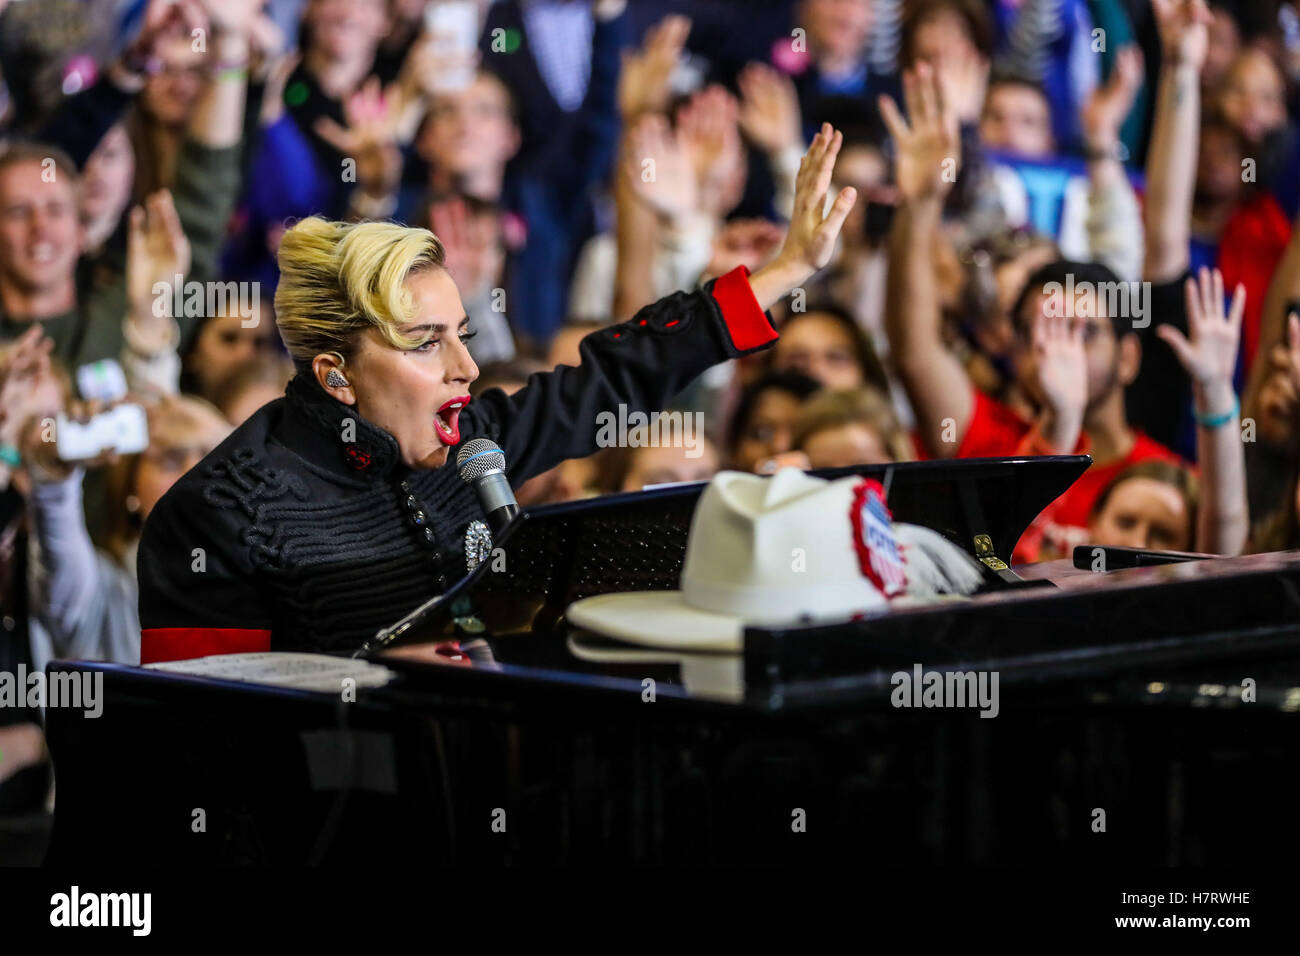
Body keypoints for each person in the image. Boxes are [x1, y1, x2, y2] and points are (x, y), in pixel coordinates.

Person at [137, 124, 859, 661]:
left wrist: (784, 271)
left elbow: (616, 376)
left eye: (462, 334)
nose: (465, 368)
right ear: (335, 376)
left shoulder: (474, 441)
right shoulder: (218, 513)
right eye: (425, 342)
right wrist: (367, 679)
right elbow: (204, 734)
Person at [882, 64, 1181, 563]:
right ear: (1007, 345)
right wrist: (919, 203)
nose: (1054, 350)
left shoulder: (1162, 483)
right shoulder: (986, 436)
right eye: (1036, 331)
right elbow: (913, 350)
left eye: (1082, 332)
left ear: (1128, 359)